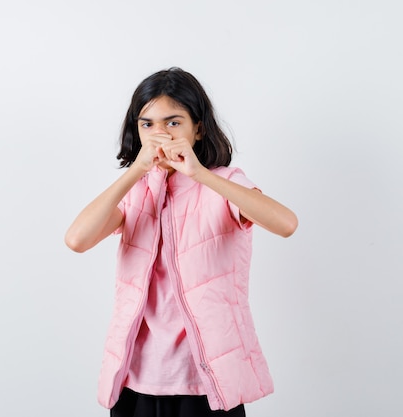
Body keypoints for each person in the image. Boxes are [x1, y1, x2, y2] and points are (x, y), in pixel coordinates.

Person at [64, 67, 298, 417]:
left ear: (197, 128)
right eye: (148, 124)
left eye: (173, 122)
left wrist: (199, 174)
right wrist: (135, 172)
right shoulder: (135, 191)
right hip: (135, 379)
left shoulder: (224, 183)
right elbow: (77, 239)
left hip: (206, 382)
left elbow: (286, 224)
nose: (160, 134)